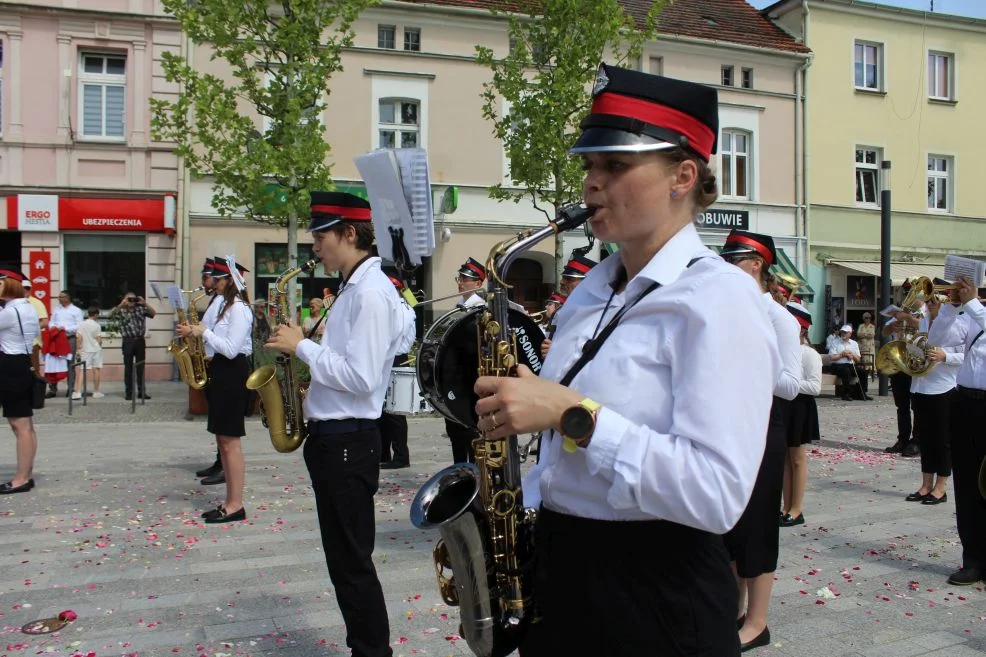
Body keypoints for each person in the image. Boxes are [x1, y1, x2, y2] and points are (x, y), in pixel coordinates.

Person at [472, 64, 779, 657]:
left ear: (682, 177)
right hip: (566, 571)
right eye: (590, 165)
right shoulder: (593, 289)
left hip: (657, 592)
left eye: (615, 166)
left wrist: (572, 414)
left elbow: (716, 495)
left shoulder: (720, 299)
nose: (591, 183)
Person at [265, 191, 415, 657]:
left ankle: (372, 652)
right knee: (345, 562)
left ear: (350, 234)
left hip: (347, 442)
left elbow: (363, 376)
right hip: (338, 439)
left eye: (321, 236)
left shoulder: (370, 292)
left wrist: (302, 347)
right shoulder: (357, 287)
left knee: (352, 565)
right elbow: (381, 345)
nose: (316, 247)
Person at [720, 229, 801, 651]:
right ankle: (733, 610)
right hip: (728, 424)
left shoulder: (779, 319)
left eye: (732, 262)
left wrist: (749, 363)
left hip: (764, 428)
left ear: (755, 265)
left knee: (758, 526)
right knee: (730, 522)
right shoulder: (729, 312)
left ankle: (758, 621)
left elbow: (792, 385)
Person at [177, 256, 253, 524]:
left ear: (229, 281)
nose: (215, 285)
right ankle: (229, 501)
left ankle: (235, 504)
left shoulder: (240, 309)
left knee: (231, 442)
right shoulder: (227, 308)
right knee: (223, 440)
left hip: (233, 373)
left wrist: (203, 333)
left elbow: (232, 349)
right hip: (221, 371)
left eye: (219, 280)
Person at [906, 292, 967, 505]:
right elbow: (917, 345)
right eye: (929, 300)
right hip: (921, 385)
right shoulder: (923, 319)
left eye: (934, 300)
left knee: (943, 440)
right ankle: (925, 485)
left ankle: (940, 488)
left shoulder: (961, 321)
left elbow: (968, 353)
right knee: (925, 438)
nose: (930, 304)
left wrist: (945, 356)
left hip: (944, 387)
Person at [946, 275, 986, 586]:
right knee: (967, 484)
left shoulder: (977, 311)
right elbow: (938, 339)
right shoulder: (972, 313)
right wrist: (950, 307)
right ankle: (972, 560)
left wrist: (971, 303)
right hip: (964, 401)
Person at [781, 299, 821, 526]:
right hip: (786, 405)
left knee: (797, 458)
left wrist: (791, 383)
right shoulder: (786, 350)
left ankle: (796, 508)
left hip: (800, 407)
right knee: (785, 459)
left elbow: (815, 387)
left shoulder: (809, 354)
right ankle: (787, 506)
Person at [0, 268, 40, 495]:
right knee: (26, 426)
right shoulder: (27, 307)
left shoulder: (9, 311)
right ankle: (27, 474)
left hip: (10, 365)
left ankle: (21, 479)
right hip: (22, 363)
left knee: (20, 426)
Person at [379, 275, 417, 471]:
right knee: (383, 413)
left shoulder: (402, 311)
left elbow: (392, 337)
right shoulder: (395, 308)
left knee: (395, 414)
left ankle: (401, 456)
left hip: (397, 360)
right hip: (388, 360)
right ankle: (383, 453)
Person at [194, 258, 226, 484]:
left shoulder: (226, 303)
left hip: (222, 362)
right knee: (216, 418)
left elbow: (222, 338)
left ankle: (225, 465)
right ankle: (219, 461)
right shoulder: (215, 300)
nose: (203, 282)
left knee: (224, 420)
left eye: (206, 278)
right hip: (212, 361)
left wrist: (200, 332)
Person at [883, 313, 920, 456]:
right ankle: (902, 439)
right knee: (901, 406)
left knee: (917, 406)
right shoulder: (902, 311)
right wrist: (892, 326)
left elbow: (926, 326)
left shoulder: (928, 310)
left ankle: (917, 441)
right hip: (899, 364)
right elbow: (885, 331)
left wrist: (907, 318)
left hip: (916, 363)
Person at [110, 291, 157, 401]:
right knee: (128, 368)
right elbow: (111, 315)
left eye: (133, 299)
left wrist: (145, 303)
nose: (131, 301)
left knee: (140, 367)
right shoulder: (121, 310)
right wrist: (121, 304)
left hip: (140, 341)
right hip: (128, 341)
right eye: (129, 299)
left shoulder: (140, 309)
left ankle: (142, 392)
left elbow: (154, 314)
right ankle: (129, 393)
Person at [45, 290, 84, 398]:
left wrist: (65, 328)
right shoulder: (57, 309)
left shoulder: (76, 310)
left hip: (69, 338)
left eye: (62, 297)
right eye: (59, 297)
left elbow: (79, 325)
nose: (59, 299)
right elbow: (51, 321)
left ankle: (70, 389)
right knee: (53, 362)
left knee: (69, 363)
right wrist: (53, 326)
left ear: (68, 298)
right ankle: (52, 389)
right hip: (56, 338)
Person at [828, 324, 872, 401]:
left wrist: (852, 355)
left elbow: (858, 360)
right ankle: (846, 394)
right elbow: (832, 357)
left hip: (850, 365)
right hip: (837, 365)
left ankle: (861, 393)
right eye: (842, 332)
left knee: (863, 372)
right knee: (846, 370)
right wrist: (842, 354)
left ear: (850, 334)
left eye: (845, 332)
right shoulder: (835, 342)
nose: (843, 334)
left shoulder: (854, 343)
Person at [73, 307, 104, 399]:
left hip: (85, 350)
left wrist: (78, 349)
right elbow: (99, 340)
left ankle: (78, 392)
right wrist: (100, 343)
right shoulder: (97, 325)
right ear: (95, 315)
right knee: (96, 370)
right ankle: (96, 392)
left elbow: (79, 338)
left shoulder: (81, 324)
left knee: (82, 370)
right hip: (96, 350)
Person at [22, 280, 47, 378]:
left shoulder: (36, 303)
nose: (25, 290)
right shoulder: (13, 302)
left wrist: (30, 329)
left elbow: (44, 322)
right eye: (23, 288)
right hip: (17, 342)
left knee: (34, 369)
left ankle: (36, 391)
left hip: (33, 342)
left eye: (27, 288)